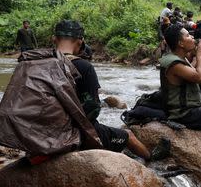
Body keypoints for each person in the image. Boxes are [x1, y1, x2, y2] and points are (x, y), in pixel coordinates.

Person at [53, 20, 169, 161]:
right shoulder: (82, 66)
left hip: (38, 132)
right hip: (72, 133)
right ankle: (151, 158)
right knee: (127, 136)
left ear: (54, 39)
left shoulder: (34, 63)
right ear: (80, 41)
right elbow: (93, 109)